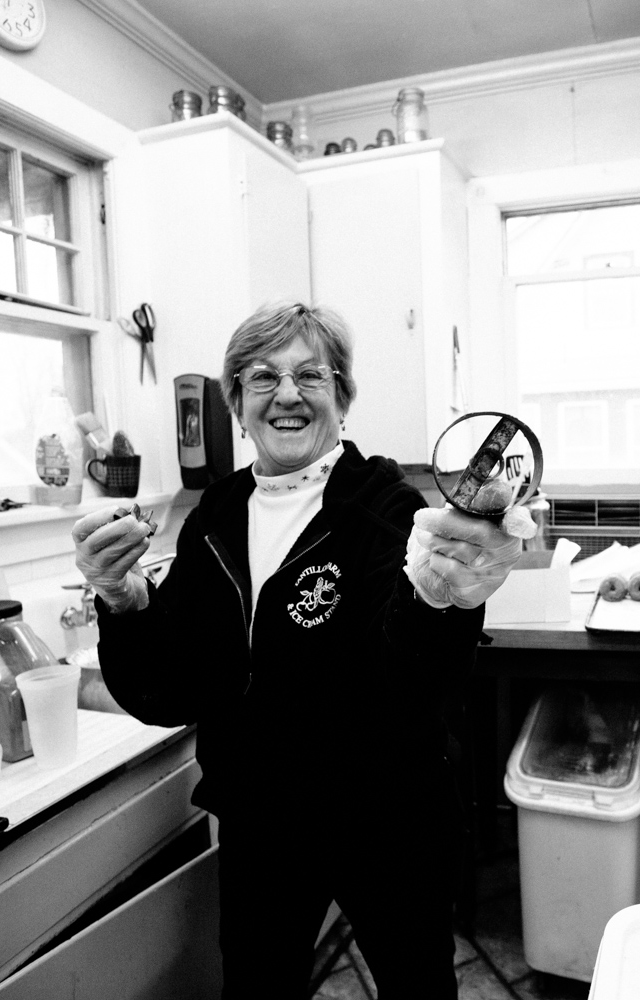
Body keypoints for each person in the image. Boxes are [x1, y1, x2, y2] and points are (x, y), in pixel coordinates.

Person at [71, 301, 528, 998]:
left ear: (342, 398)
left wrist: (439, 600)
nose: (287, 394)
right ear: (237, 404)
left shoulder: (388, 507)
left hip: (388, 819)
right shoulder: (212, 520)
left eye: (311, 376)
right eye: (262, 378)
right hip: (262, 823)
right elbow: (168, 692)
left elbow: (412, 682)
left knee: (418, 988)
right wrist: (125, 602)